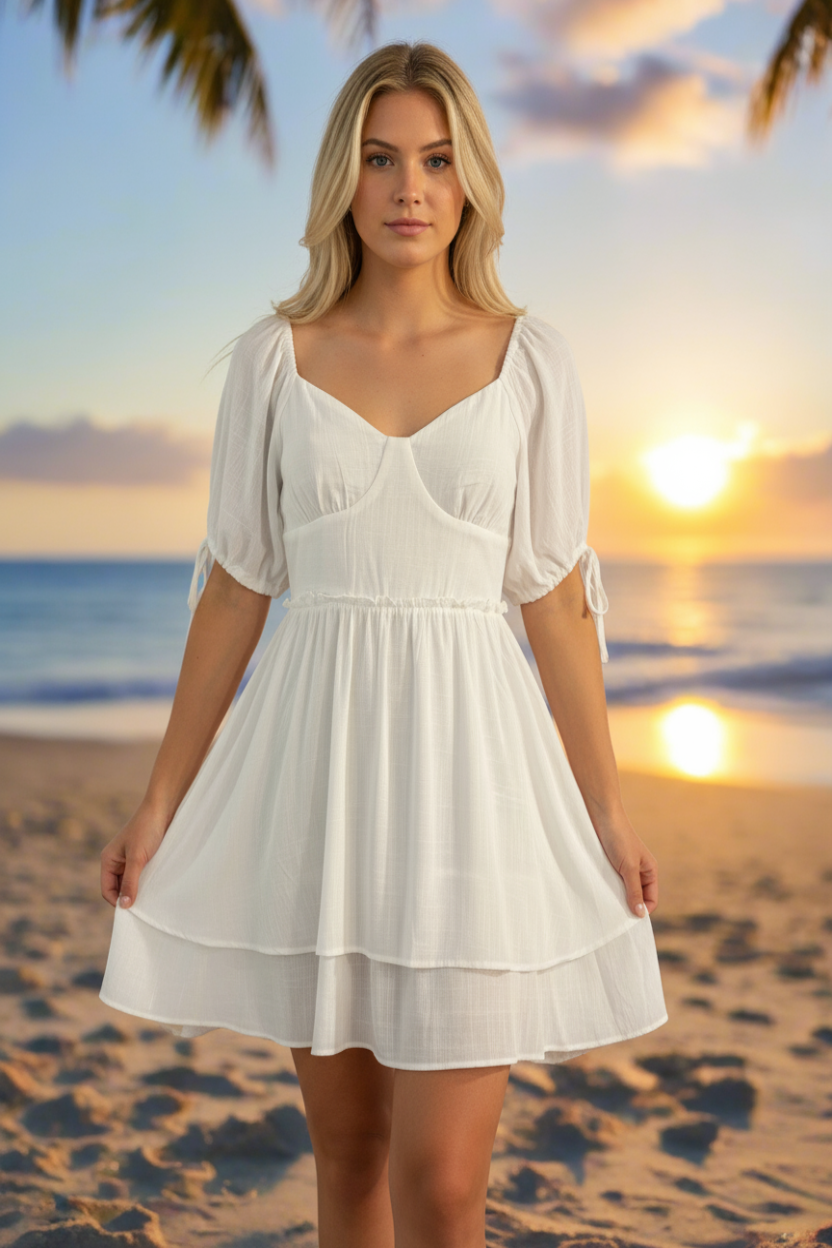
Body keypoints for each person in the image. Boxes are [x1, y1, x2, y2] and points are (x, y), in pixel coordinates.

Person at [98, 40, 667, 1248]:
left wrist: (605, 811)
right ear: (343, 182)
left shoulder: (530, 360)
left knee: (444, 1183)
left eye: (436, 159)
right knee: (348, 1154)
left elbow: (554, 599)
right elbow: (236, 593)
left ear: (470, 183)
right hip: (320, 774)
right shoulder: (274, 360)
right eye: (380, 159)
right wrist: (159, 806)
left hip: (473, 780)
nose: (410, 186)